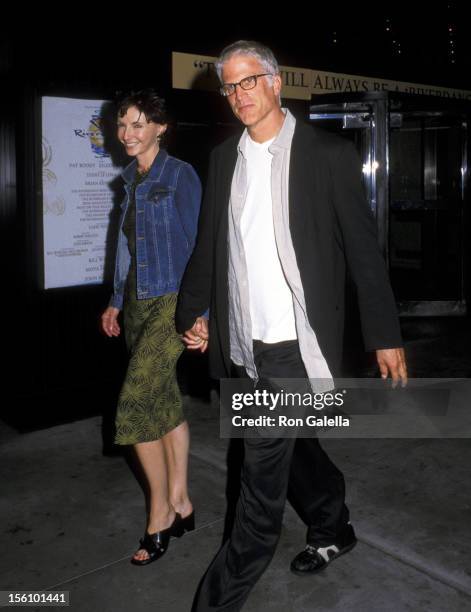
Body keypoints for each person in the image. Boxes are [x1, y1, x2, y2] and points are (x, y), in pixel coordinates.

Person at [176, 41, 407, 610]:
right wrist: (196, 311)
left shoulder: (327, 155)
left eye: (248, 81)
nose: (238, 95)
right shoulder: (224, 157)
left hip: (294, 347)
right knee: (293, 440)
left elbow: (363, 251)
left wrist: (385, 333)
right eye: (229, 87)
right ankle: (333, 525)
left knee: (258, 479)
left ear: (276, 82)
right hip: (242, 341)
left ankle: (219, 598)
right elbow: (213, 245)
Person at [100, 89, 202, 565]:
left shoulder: (180, 176)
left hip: (171, 302)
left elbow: (202, 248)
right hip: (138, 302)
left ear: (161, 127)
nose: (128, 134)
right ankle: (182, 500)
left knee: (136, 406)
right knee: (163, 401)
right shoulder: (130, 181)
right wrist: (116, 301)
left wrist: (201, 314)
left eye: (139, 124)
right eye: (123, 125)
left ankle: (159, 514)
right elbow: (127, 251)